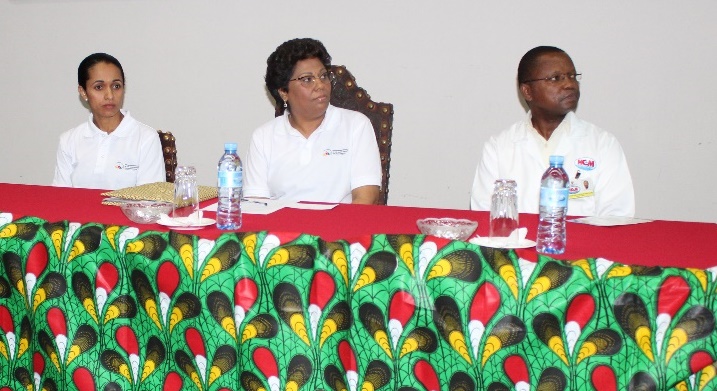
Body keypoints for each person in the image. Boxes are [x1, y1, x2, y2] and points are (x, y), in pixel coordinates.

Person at [470, 46, 635, 217]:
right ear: (527, 91)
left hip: (584, 244)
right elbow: (484, 217)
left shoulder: (603, 144)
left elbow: (617, 218)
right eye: (556, 78)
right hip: (516, 244)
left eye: (572, 76)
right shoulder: (498, 147)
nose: (569, 85)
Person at [243, 38, 382, 204]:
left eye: (323, 76)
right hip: (283, 228)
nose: (320, 85)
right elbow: (256, 205)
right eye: (307, 79)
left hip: (340, 227)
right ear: (283, 92)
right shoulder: (264, 137)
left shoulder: (356, 126)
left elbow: (366, 198)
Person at [52, 53, 165, 190]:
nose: (110, 95)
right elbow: (61, 197)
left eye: (116, 86)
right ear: (83, 92)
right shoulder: (69, 141)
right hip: (78, 212)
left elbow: (150, 202)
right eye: (99, 87)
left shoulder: (146, 138)